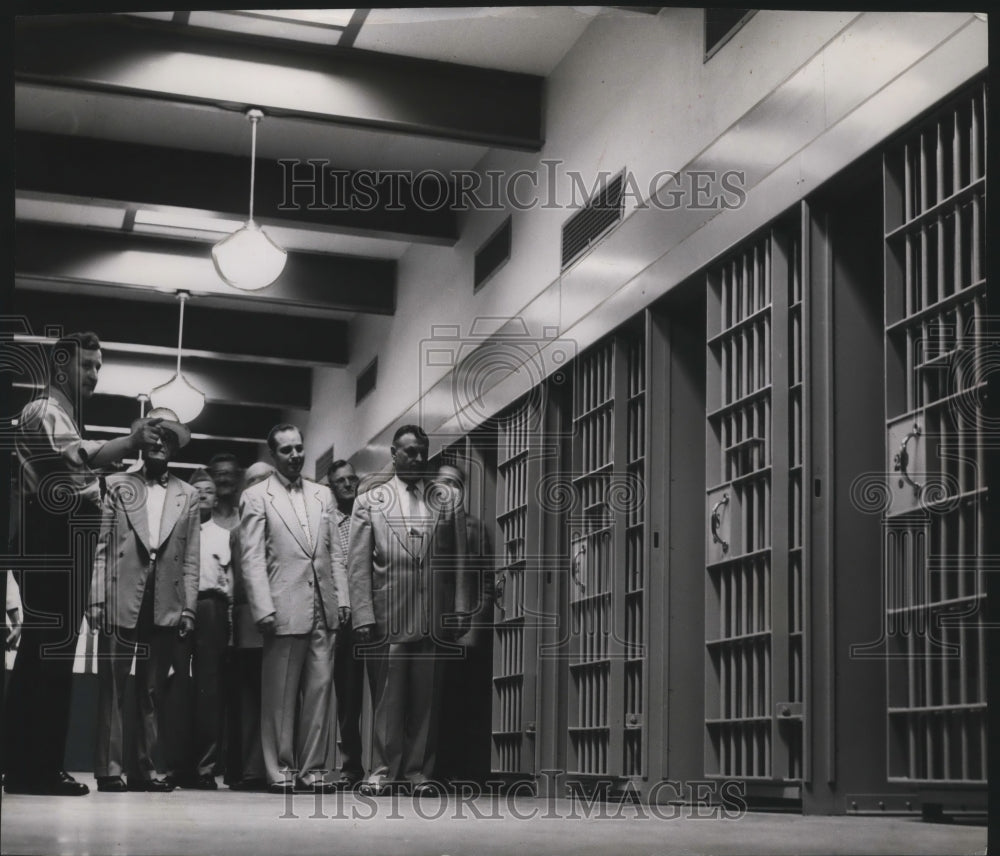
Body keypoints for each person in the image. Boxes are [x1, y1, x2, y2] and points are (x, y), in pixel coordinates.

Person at [3, 331, 162, 796]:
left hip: (60, 537)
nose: (93, 374)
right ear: (59, 367)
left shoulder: (62, 415)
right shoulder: (42, 410)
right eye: (86, 365)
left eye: (98, 366)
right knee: (48, 652)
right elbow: (76, 457)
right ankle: (35, 769)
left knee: (46, 651)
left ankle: (27, 766)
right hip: (49, 536)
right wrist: (128, 441)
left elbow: (82, 471)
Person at [347, 424, 473, 796]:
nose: (417, 458)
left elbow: (461, 560)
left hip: (432, 611)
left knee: (426, 698)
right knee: (386, 696)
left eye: (422, 451)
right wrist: (363, 614)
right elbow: (357, 565)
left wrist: (461, 608)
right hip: (388, 611)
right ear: (393, 453)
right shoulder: (370, 500)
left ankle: (418, 773)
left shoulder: (447, 498)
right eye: (409, 452)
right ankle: (383, 771)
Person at [86, 407, 200, 793]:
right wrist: (97, 598)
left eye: (169, 437)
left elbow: (192, 557)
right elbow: (103, 546)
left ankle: (145, 770)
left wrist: (189, 607)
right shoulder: (118, 484)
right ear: (143, 440)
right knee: (113, 686)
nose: (161, 442)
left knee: (152, 689)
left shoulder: (190, 495)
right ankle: (109, 769)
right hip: (121, 590)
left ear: (175, 447)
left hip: (166, 596)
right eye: (155, 434)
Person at [239, 425, 350, 794]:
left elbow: (335, 553)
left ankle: (313, 771)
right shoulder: (257, 496)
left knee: (320, 693)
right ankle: (281, 771)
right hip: (283, 606)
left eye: (299, 448)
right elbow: (251, 557)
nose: (295, 455)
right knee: (280, 697)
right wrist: (262, 607)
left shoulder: (323, 495)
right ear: (274, 455)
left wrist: (343, 598)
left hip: (324, 605)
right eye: (286, 450)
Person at [167, 470, 233, 789]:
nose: (204, 494)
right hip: (181, 608)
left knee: (209, 690)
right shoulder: (177, 533)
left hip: (212, 609)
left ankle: (205, 768)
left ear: (216, 497)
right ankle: (179, 765)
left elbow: (231, 584)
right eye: (198, 490)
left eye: (209, 490)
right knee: (180, 687)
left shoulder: (225, 535)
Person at [433, 463, 495, 786]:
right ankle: (436, 769)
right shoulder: (424, 526)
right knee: (434, 701)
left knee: (463, 700)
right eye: (443, 482)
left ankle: (463, 770)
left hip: (465, 629)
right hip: (430, 626)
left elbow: (486, 581)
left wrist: (476, 623)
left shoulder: (474, 529)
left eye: (455, 483)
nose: (449, 489)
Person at [226, 461, 272, 791]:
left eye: (264, 479)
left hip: (280, 616)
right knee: (250, 697)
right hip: (247, 621)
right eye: (252, 480)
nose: (257, 485)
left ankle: (265, 767)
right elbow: (239, 583)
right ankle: (251, 768)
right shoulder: (237, 532)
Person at [324, 460, 366, 789]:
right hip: (342, 617)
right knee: (348, 694)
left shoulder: (368, 517)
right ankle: (351, 765)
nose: (349, 485)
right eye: (341, 481)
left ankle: (382, 762)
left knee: (380, 692)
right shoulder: (326, 522)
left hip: (372, 612)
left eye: (353, 479)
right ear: (331, 486)